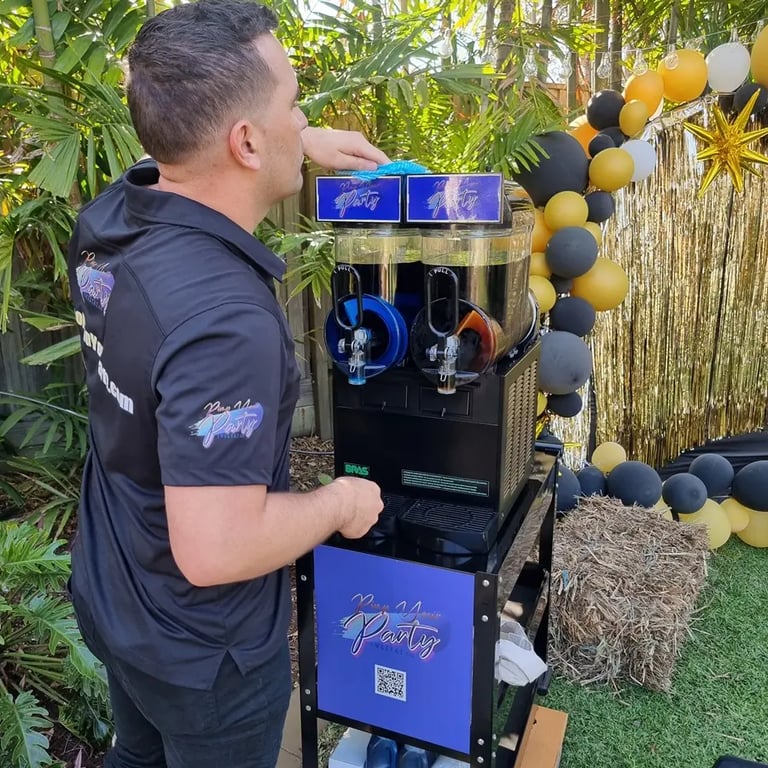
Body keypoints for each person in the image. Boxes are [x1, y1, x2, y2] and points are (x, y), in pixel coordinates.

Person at [66, 2, 386, 766]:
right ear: (245, 140)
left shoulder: (113, 217)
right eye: (291, 103)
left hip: (115, 593)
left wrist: (297, 141)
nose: (303, 115)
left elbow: (191, 158)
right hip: (204, 657)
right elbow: (215, 548)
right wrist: (338, 501)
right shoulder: (224, 323)